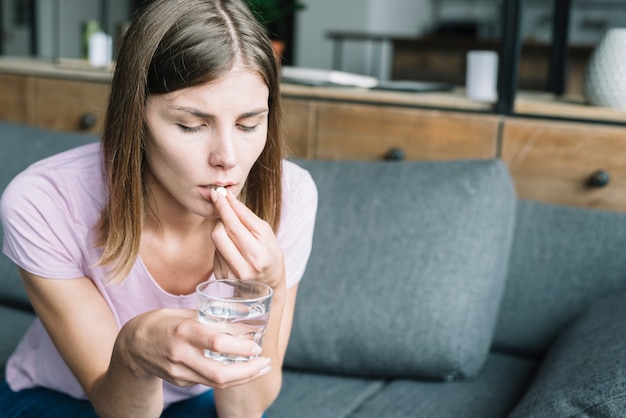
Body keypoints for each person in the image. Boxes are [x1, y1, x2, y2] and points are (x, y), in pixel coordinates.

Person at [0, 0, 317, 416]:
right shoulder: (41, 202)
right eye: (190, 125)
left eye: (248, 124)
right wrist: (133, 351)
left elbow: (244, 410)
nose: (227, 157)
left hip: (198, 400)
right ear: (136, 118)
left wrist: (262, 291)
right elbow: (116, 407)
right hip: (66, 397)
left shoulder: (290, 194)